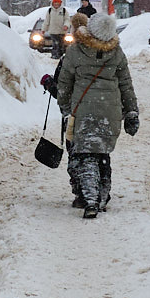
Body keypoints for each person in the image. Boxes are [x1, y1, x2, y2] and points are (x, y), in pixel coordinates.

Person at [57, 13, 139, 219]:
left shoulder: (75, 51)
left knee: (85, 153)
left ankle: (90, 199)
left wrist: (66, 108)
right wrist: (131, 111)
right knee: (102, 153)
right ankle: (102, 196)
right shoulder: (117, 53)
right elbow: (126, 85)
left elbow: (64, 84)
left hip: (82, 111)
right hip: (110, 111)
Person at [41, 12, 90, 205]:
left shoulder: (70, 57)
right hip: (97, 112)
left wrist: (48, 83)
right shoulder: (101, 54)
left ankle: (81, 192)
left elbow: (61, 91)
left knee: (76, 153)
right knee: (98, 153)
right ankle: (101, 190)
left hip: (73, 114)